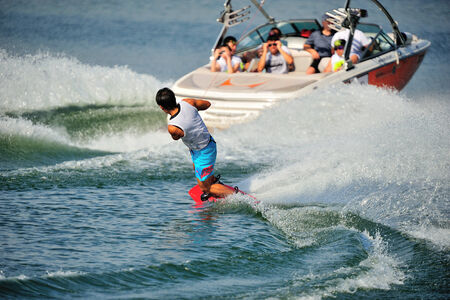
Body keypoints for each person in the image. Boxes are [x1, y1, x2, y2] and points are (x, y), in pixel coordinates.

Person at [155, 87, 235, 200]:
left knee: (205, 188)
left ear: (162, 107)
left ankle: (235, 195)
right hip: (204, 146)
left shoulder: (173, 127)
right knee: (196, 167)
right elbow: (207, 104)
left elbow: (176, 138)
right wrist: (193, 111)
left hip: (204, 152)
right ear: (174, 98)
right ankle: (213, 181)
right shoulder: (188, 102)